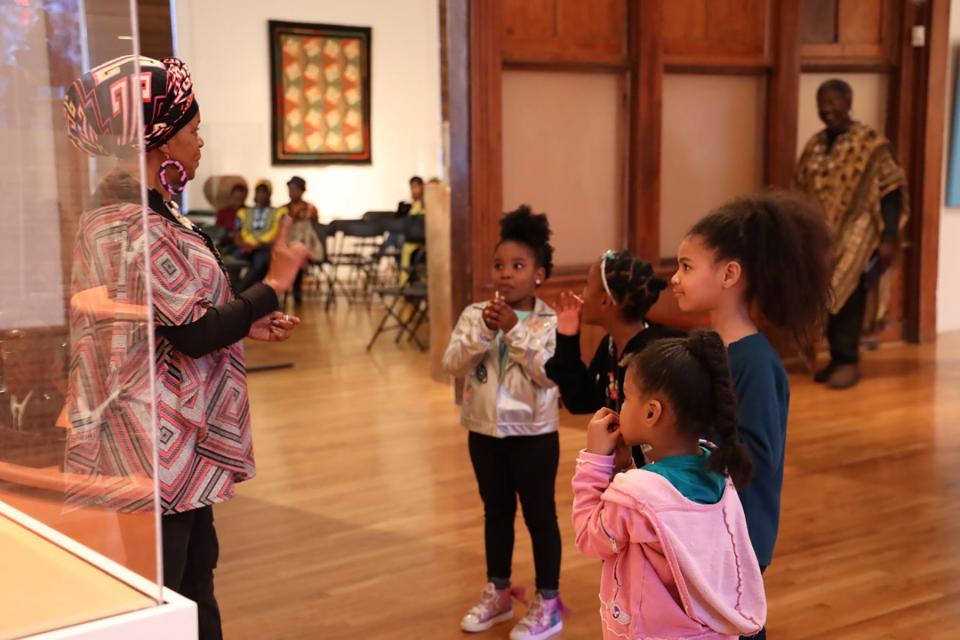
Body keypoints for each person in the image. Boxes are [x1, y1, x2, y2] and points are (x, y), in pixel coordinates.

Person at [63, 55, 310, 640]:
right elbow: (191, 333)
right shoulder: (130, 221)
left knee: (194, 580)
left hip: (167, 443)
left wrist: (242, 324)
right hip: (149, 444)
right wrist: (271, 286)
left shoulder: (140, 210)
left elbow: (168, 319)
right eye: (194, 129)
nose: (201, 141)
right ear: (160, 137)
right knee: (166, 597)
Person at [670, 192, 832, 640]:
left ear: (729, 274)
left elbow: (754, 456)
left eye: (686, 266)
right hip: (705, 530)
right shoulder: (708, 347)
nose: (674, 279)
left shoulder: (755, 363)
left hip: (737, 539)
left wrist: (678, 459)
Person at [572, 330, 766, 639]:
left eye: (626, 397)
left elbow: (590, 538)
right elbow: (660, 508)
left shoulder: (637, 495)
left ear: (651, 412)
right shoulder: (716, 472)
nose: (621, 407)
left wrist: (595, 461)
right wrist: (626, 468)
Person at [442, 206, 565, 640]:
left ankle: (548, 602)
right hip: (484, 434)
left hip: (533, 437)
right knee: (496, 512)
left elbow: (549, 373)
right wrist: (483, 333)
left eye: (518, 266)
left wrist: (514, 331)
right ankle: (498, 592)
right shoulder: (477, 314)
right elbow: (452, 363)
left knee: (539, 516)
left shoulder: (550, 322)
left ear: (539, 274)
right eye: (499, 265)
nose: (506, 274)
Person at [794, 78, 910, 389]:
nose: (826, 108)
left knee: (849, 298)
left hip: (859, 234)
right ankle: (835, 357)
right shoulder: (815, 146)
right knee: (827, 298)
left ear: (847, 103)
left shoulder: (871, 145)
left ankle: (848, 361)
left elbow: (891, 191)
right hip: (823, 238)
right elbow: (800, 189)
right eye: (821, 102)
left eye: (832, 101)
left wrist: (888, 239)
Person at [546, 251, 683, 465]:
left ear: (604, 301)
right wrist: (567, 337)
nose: (583, 293)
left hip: (658, 481)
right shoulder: (610, 345)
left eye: (587, 285)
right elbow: (582, 400)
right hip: (627, 473)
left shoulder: (655, 355)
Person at [235, 180, 288, 291]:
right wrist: (245, 244)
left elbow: (282, 235)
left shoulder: (279, 213)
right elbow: (237, 235)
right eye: (259, 192)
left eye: (265, 192)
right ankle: (243, 293)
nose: (262, 195)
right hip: (246, 247)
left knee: (260, 261)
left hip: (266, 248)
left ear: (270, 194)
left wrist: (263, 244)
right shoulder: (243, 213)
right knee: (233, 260)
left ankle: (239, 291)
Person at [284, 176, 323, 304]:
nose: (292, 192)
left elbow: (314, 231)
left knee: (299, 252)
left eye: (295, 189)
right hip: (287, 244)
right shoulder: (283, 209)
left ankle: (297, 288)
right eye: (290, 189)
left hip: (306, 244)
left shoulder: (311, 209)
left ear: (302, 191)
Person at [214, 182, 247, 250]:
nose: (238, 201)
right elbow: (217, 231)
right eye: (236, 198)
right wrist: (228, 234)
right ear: (232, 196)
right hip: (226, 242)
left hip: (243, 242)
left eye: (241, 198)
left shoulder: (248, 212)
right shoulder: (223, 212)